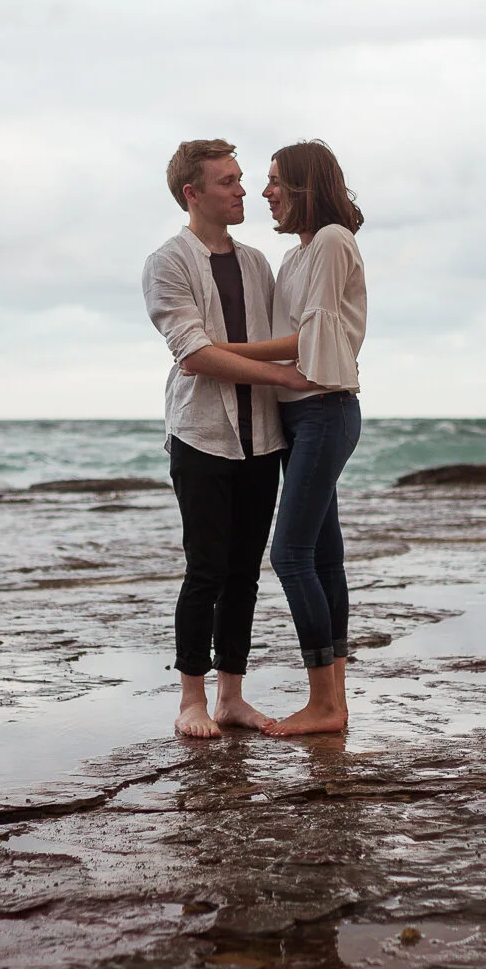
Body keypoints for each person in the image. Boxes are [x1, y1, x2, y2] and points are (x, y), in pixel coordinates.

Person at [188, 140, 365, 736]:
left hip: (325, 409)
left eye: (275, 182)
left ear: (305, 187)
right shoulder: (294, 257)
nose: (264, 192)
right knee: (321, 556)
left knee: (289, 555)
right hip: (296, 416)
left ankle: (323, 703)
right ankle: (333, 702)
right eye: (260, 181)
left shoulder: (335, 242)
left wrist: (216, 353)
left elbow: (305, 343)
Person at [143, 139, 319, 739]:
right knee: (206, 568)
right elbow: (193, 355)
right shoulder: (168, 262)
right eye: (228, 182)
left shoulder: (256, 264)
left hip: (261, 438)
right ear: (193, 194)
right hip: (201, 435)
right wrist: (281, 375)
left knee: (245, 571)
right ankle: (191, 699)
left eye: (242, 179)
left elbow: (279, 336)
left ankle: (231, 696)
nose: (243, 190)